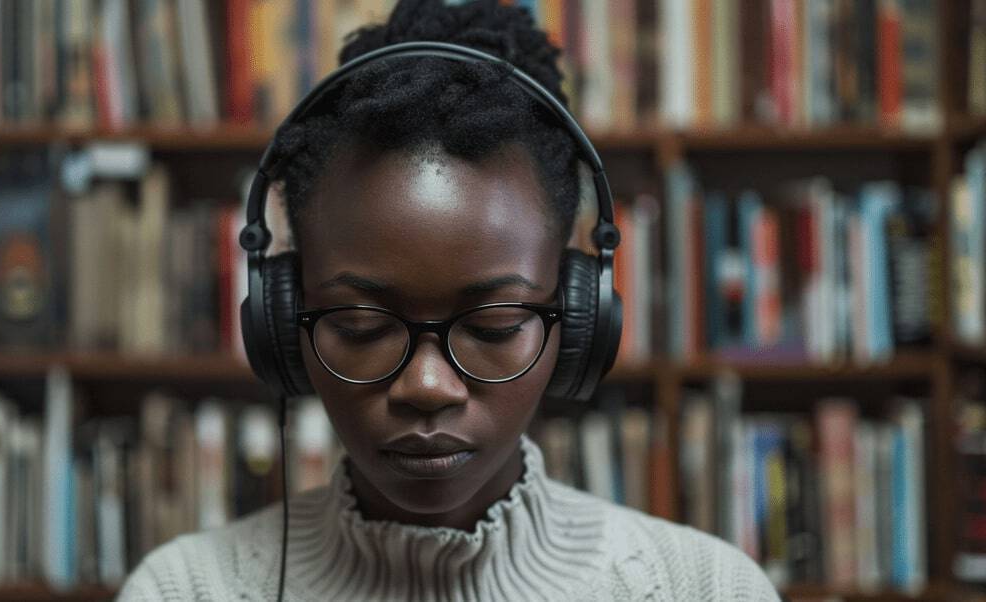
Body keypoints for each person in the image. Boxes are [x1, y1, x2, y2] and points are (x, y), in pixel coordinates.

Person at [117, 1, 781, 600]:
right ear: (284, 320)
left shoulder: (706, 588)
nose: (427, 386)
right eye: (359, 323)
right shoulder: (183, 590)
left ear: (578, 318)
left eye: (493, 326)